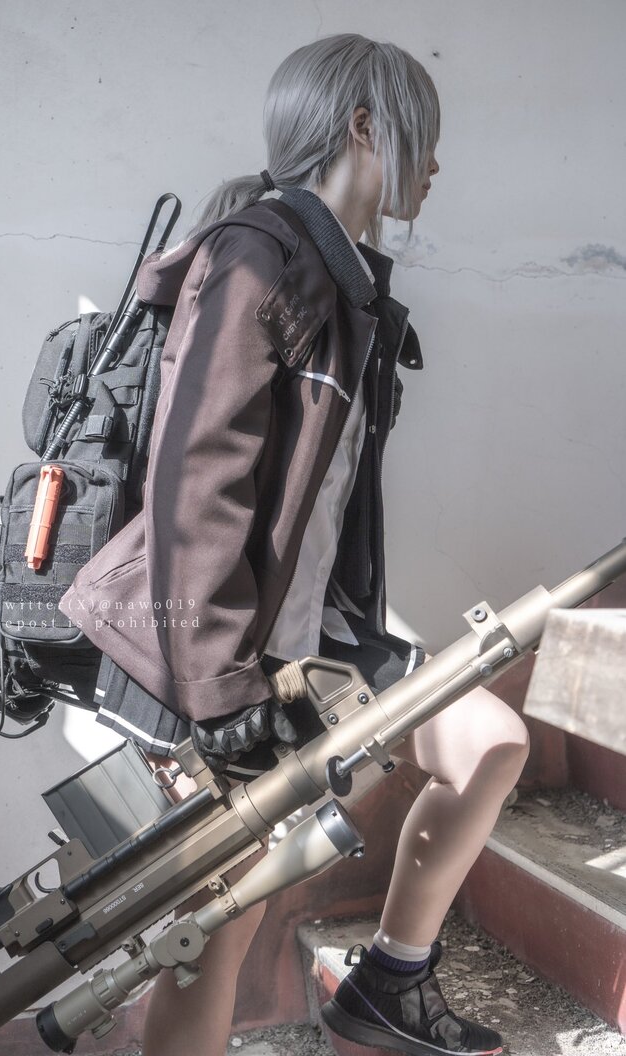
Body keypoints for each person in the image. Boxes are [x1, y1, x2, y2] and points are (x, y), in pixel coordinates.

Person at [91, 33, 530, 1056]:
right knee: (220, 930)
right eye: (424, 136)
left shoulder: (343, 281)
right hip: (209, 662)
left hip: (311, 642)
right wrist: (218, 694)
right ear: (364, 127)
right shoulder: (258, 256)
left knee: (488, 741)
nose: (436, 163)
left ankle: (389, 984)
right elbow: (193, 483)